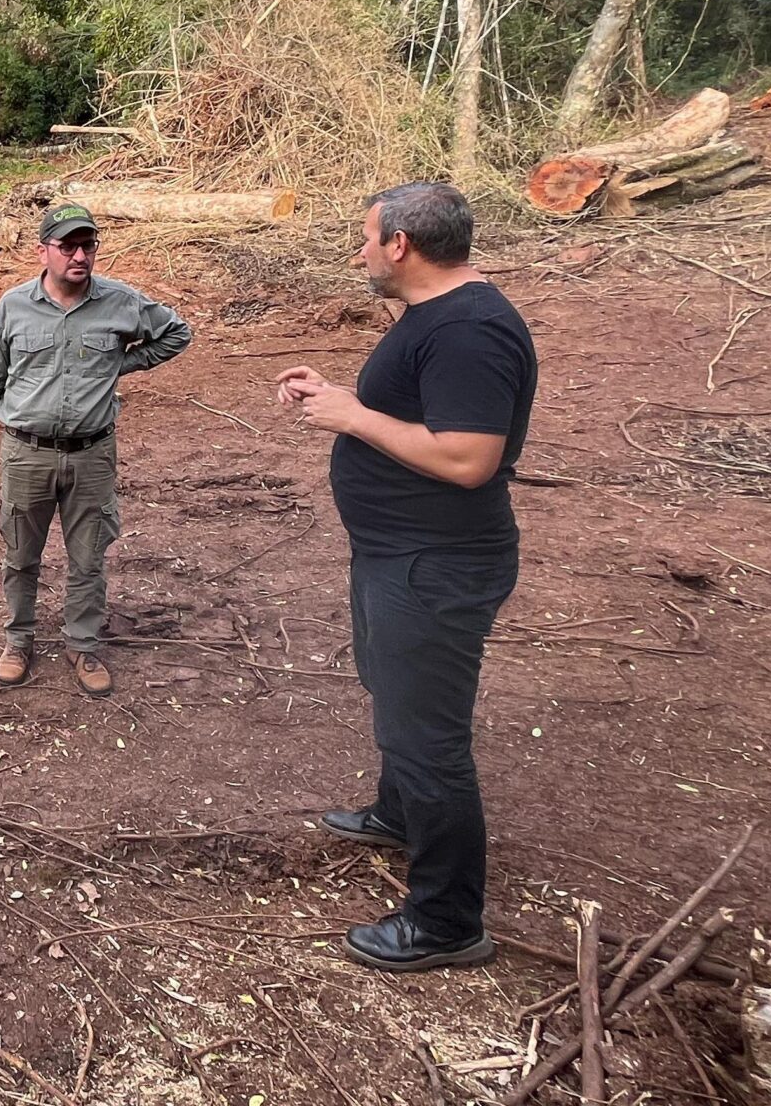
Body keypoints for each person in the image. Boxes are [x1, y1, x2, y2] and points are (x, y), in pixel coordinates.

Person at [275, 180, 537, 972]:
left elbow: (468, 459)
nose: (358, 252)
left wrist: (351, 417)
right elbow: (415, 407)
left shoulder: (472, 331)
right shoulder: (434, 314)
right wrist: (338, 394)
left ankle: (448, 921)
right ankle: (398, 811)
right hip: (399, 553)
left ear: (401, 245)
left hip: (436, 565)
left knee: (428, 741)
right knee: (393, 697)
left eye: (366, 239)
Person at [0, 203, 193, 695]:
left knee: (88, 558)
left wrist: (120, 366)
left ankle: (83, 646)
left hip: (92, 455)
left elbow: (176, 333)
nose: (80, 255)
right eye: (68, 246)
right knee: (21, 554)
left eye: (88, 245)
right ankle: (18, 640)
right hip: (26, 454)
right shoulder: (13, 306)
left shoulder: (120, 302)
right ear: (44, 250)